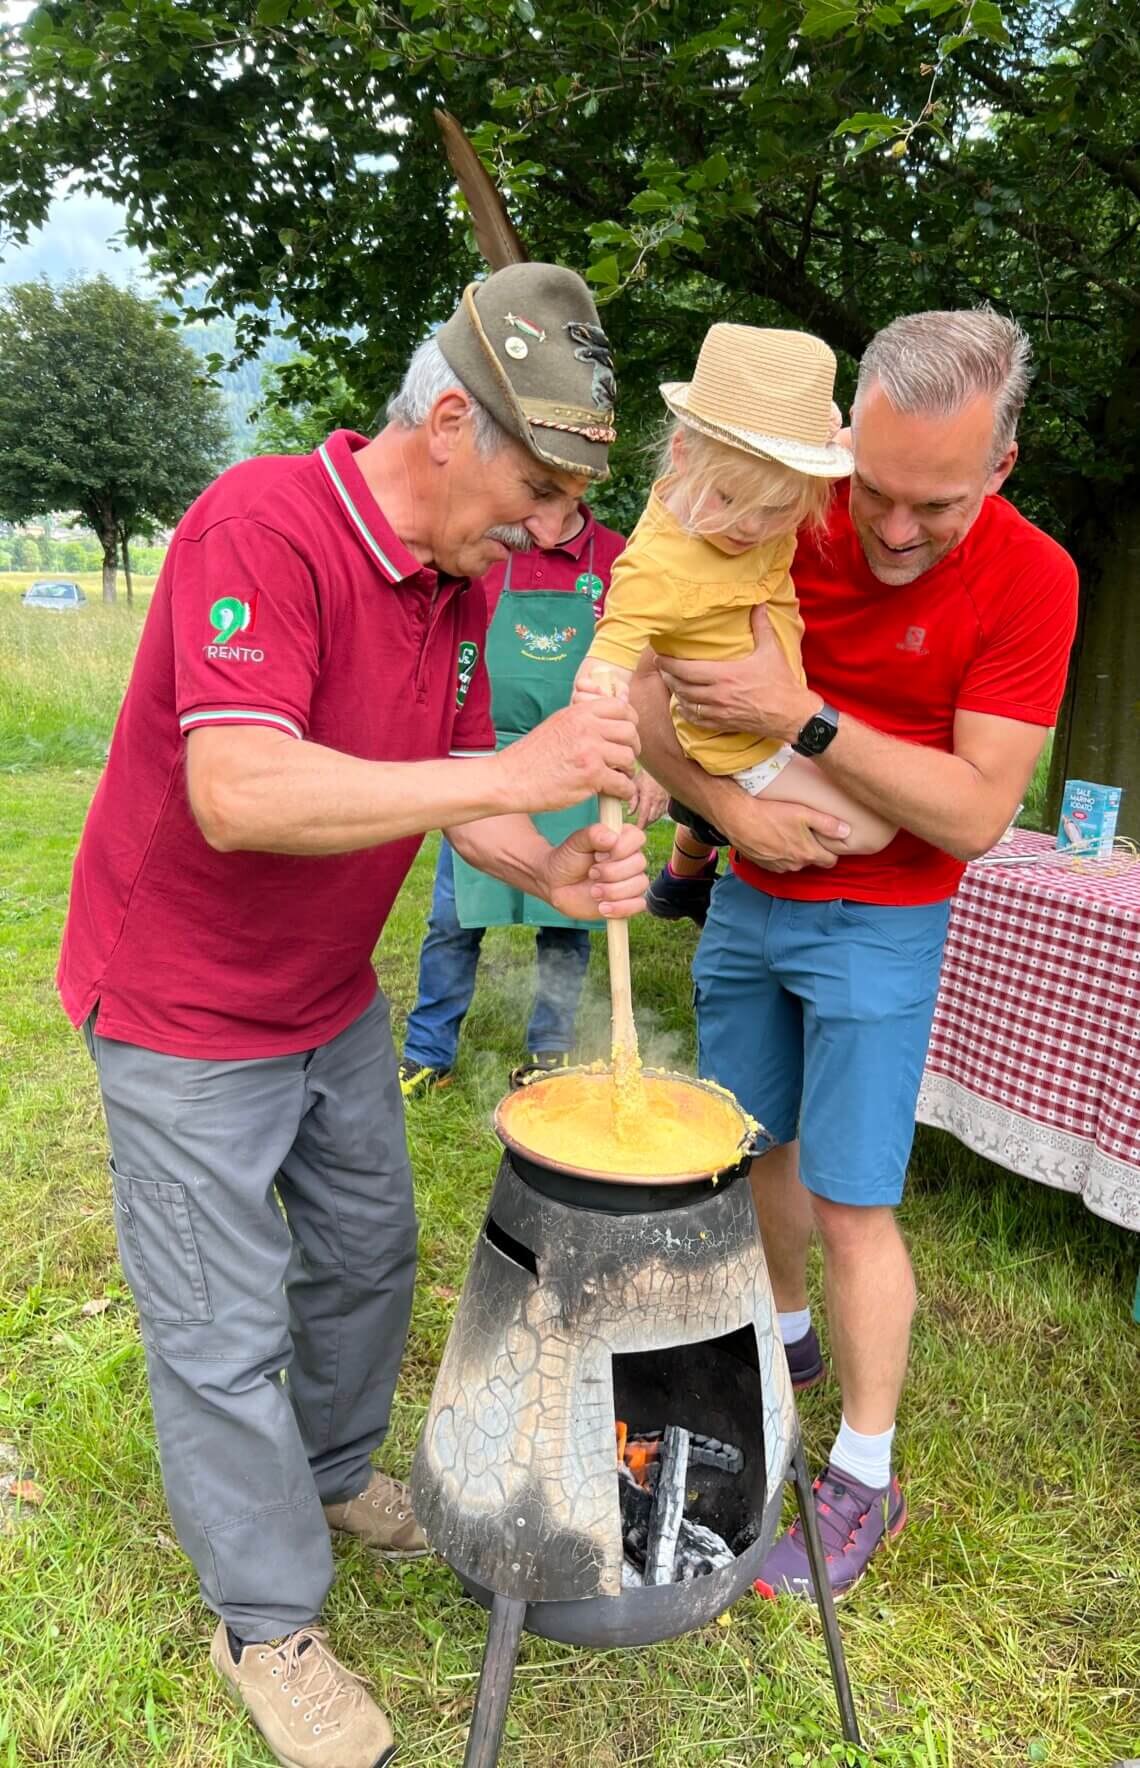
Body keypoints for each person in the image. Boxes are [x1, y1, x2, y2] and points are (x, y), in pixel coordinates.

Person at [56, 262, 649, 1768]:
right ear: (448, 420)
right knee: (219, 1326)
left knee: (371, 1255)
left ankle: (325, 1472)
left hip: (325, 998)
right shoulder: (264, 523)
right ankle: (266, 1619)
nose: (545, 524)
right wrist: (511, 780)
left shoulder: (458, 579)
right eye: (533, 481)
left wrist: (557, 865)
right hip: (184, 1006)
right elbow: (239, 788)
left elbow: (458, 788)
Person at [630, 308, 1079, 1600]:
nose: (889, 530)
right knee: (744, 1144)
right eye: (873, 489)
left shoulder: (1033, 577)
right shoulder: (786, 513)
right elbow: (656, 699)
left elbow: (977, 811)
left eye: (932, 504)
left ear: (999, 466)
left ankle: (864, 1472)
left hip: (886, 922)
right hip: (752, 894)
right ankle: (779, 1343)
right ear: (839, 447)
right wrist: (731, 815)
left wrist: (801, 720)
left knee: (853, 1197)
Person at [574, 324, 893, 929]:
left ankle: (701, 829)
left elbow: (842, 453)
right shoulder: (655, 567)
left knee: (879, 782)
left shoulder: (763, 503)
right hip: (740, 745)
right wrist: (601, 696)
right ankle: (717, 814)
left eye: (777, 511)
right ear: (683, 455)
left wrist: (825, 436)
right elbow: (609, 656)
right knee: (875, 829)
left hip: (785, 713)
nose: (749, 527)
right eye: (729, 501)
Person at [399, 496, 638, 1098]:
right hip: (487, 753)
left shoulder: (615, 557)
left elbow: (644, 664)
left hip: (576, 760)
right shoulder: (493, 541)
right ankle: (429, 1052)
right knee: (453, 919)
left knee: (567, 918)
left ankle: (550, 1054)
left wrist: (650, 766)